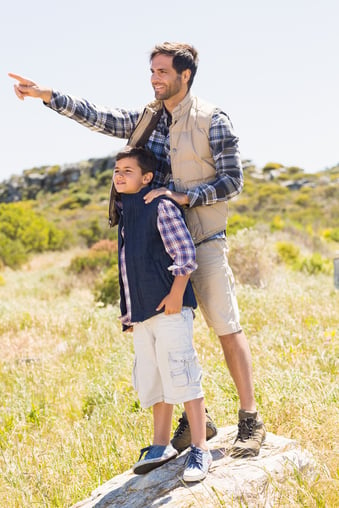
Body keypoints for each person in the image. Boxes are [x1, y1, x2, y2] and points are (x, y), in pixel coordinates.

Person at [9, 41, 266, 458]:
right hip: (158, 250)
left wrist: (186, 197)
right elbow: (102, 117)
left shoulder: (212, 119)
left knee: (226, 328)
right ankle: (196, 423)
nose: (155, 79)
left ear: (185, 75)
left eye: (163, 72)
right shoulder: (148, 117)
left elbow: (233, 181)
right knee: (172, 335)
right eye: (152, 72)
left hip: (203, 239)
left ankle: (250, 421)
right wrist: (49, 97)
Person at [112, 144, 212, 481]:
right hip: (142, 315)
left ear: (147, 177)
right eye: (116, 171)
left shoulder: (160, 206)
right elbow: (128, 269)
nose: (119, 176)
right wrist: (129, 314)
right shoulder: (126, 213)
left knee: (181, 374)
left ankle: (200, 447)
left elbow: (185, 253)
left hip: (170, 310)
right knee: (152, 379)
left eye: (128, 171)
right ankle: (160, 444)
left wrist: (175, 295)